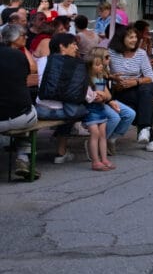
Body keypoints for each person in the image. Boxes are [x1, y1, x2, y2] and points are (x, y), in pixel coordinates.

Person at [35, 33, 90, 164]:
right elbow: (83, 94)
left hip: (41, 110)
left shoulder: (42, 60)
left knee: (69, 108)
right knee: (80, 110)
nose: (76, 48)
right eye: (73, 44)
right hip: (63, 112)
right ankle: (61, 151)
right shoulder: (77, 64)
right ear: (62, 47)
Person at [109, 25, 153, 151]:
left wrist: (135, 82)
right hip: (120, 90)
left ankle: (145, 129)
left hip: (138, 87)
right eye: (130, 37)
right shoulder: (111, 53)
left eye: (135, 37)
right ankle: (148, 134)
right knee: (145, 98)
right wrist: (114, 79)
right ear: (121, 38)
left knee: (145, 90)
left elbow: (150, 77)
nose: (134, 40)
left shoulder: (141, 53)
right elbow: (105, 74)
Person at [0, 23, 39, 180]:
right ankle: (23, 158)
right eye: (24, 35)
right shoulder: (19, 56)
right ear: (15, 39)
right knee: (31, 112)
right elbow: (31, 71)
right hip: (20, 118)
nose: (27, 37)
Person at [84, 50, 120, 171]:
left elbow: (105, 95)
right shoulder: (87, 81)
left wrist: (102, 96)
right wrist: (98, 95)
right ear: (90, 67)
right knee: (95, 134)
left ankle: (104, 159)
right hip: (91, 111)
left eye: (101, 65)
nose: (101, 67)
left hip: (100, 109)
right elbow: (89, 96)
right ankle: (95, 161)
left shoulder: (100, 79)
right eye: (97, 65)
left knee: (103, 135)